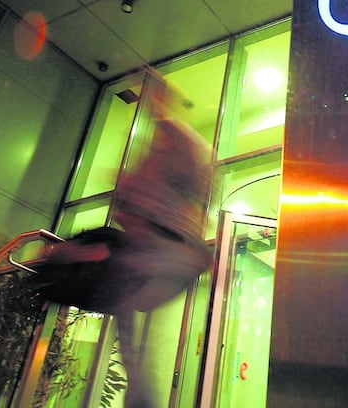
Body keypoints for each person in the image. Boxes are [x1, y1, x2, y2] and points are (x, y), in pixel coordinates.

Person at [32, 71, 214, 408]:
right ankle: (141, 395)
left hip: (168, 251)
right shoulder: (169, 153)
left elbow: (177, 192)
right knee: (125, 309)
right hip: (164, 254)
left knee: (125, 296)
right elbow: (139, 206)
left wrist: (83, 254)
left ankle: (141, 394)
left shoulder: (178, 145)